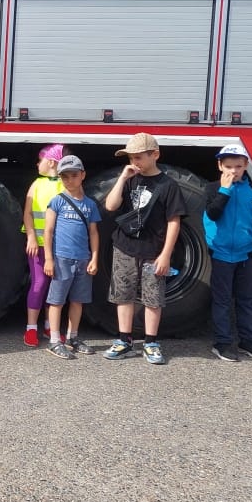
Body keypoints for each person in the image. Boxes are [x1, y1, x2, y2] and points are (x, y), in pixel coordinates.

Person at [102, 133, 187, 365]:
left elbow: (174, 221)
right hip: (125, 246)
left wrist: (166, 255)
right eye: (131, 157)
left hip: (153, 251)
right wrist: (122, 178)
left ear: (155, 154)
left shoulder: (168, 185)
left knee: (153, 298)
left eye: (139, 157)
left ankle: (151, 342)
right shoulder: (129, 179)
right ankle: (124, 340)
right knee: (123, 295)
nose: (134, 162)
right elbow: (111, 205)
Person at [203, 144, 252, 363]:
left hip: (246, 255)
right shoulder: (212, 189)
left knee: (247, 300)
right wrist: (225, 190)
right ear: (220, 166)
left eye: (238, 166)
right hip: (221, 254)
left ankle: (248, 341)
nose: (233, 171)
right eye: (228, 166)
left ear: (246, 166)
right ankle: (222, 342)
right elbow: (213, 214)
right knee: (222, 301)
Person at [42, 155, 102, 359]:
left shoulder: (90, 205)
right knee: (57, 301)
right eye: (65, 176)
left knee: (78, 300)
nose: (69, 180)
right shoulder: (57, 202)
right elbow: (47, 231)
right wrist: (49, 259)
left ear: (83, 175)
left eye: (74, 175)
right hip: (61, 259)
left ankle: (72, 337)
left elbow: (93, 233)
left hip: (82, 259)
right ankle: (54, 340)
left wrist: (94, 258)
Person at [21, 144, 64, 347]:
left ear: (52, 162)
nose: (38, 164)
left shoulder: (65, 184)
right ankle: (31, 328)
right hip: (37, 245)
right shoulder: (36, 184)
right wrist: (30, 236)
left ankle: (49, 326)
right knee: (38, 284)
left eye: (41, 160)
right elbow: (28, 213)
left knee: (54, 286)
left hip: (59, 246)